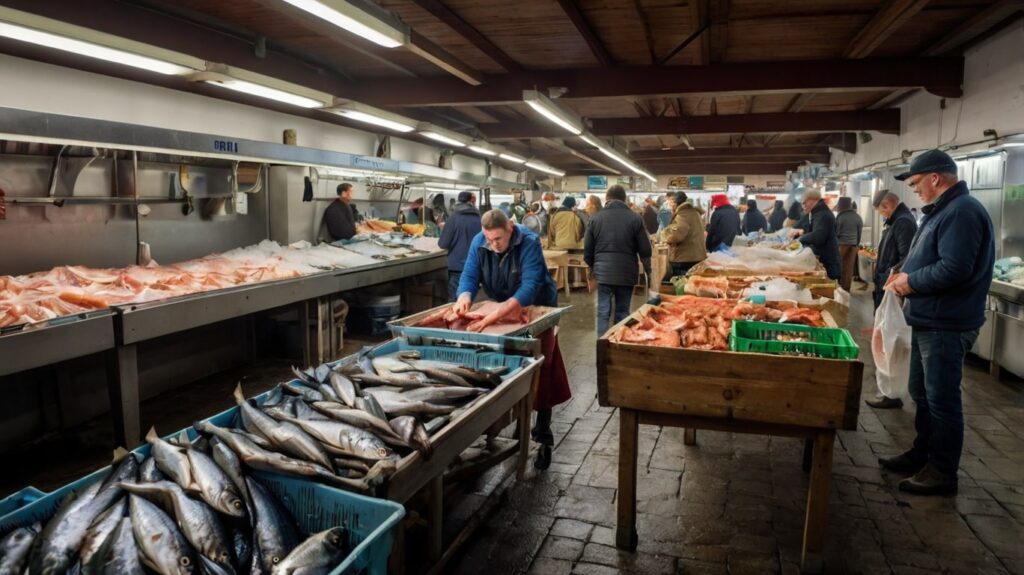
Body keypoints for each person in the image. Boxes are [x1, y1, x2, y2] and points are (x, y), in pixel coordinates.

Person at [879, 149, 994, 496]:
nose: (914, 189)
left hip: (946, 323)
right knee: (922, 393)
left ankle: (942, 470)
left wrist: (910, 282)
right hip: (928, 318)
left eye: (916, 182)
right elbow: (930, 257)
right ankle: (923, 453)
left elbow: (955, 268)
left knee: (941, 398)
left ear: (935, 177)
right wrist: (902, 272)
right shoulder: (942, 210)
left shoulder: (961, 211)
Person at [455, 210, 570, 469]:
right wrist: (464, 296)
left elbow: (530, 285)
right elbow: (470, 275)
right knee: (505, 369)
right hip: (502, 309)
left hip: (537, 309)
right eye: (489, 239)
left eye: (498, 239)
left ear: (510, 227)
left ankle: (542, 431)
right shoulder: (479, 242)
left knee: (542, 368)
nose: (493, 245)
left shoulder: (528, 241)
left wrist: (496, 314)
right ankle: (508, 420)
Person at [865, 189, 918, 410]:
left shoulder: (903, 222)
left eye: (881, 210)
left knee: (890, 342)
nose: (882, 215)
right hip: (886, 286)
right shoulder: (897, 221)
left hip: (892, 290)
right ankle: (888, 390)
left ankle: (892, 393)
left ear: (888, 205)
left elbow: (908, 257)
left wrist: (891, 274)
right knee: (885, 340)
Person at [584, 185, 652, 337]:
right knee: (622, 312)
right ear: (624, 199)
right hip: (626, 273)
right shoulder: (635, 218)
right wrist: (648, 271)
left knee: (603, 312)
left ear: (607, 199)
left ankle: (602, 345)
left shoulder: (595, 218)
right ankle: (618, 343)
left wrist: (595, 268)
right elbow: (645, 250)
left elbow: (587, 251)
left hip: (603, 275)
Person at [437, 192, 481, 302]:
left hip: (457, 267)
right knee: (469, 301)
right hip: (475, 265)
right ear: (471, 201)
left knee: (454, 301)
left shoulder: (453, 218)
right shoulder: (479, 218)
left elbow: (443, 244)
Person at [790, 190, 841, 280]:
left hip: (827, 261)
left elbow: (818, 236)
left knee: (830, 285)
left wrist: (801, 238)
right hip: (824, 259)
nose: (803, 206)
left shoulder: (823, 215)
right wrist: (802, 232)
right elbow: (816, 231)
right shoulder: (817, 213)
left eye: (804, 203)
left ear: (812, 200)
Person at [663, 191, 707, 278]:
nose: (669, 206)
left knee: (680, 284)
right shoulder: (694, 213)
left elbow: (675, 236)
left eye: (670, 203)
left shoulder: (683, 214)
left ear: (675, 203)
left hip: (684, 259)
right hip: (695, 256)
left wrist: (664, 235)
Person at [835, 196, 864, 291]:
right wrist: (856, 245)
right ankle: (846, 289)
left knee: (839, 266)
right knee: (849, 269)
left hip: (841, 245)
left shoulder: (840, 216)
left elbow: (836, 233)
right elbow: (859, 233)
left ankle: (839, 288)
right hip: (853, 245)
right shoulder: (857, 217)